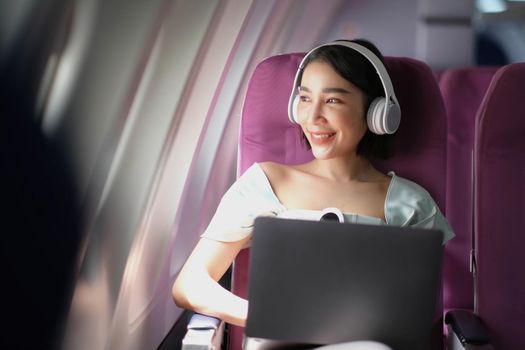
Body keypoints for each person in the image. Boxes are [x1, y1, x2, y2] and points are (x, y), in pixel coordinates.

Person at [172, 39, 454, 348]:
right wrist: (270, 315)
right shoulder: (265, 182)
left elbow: (415, 316)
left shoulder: (411, 204)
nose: (313, 116)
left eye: (332, 101)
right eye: (305, 98)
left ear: (377, 111)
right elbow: (189, 285)